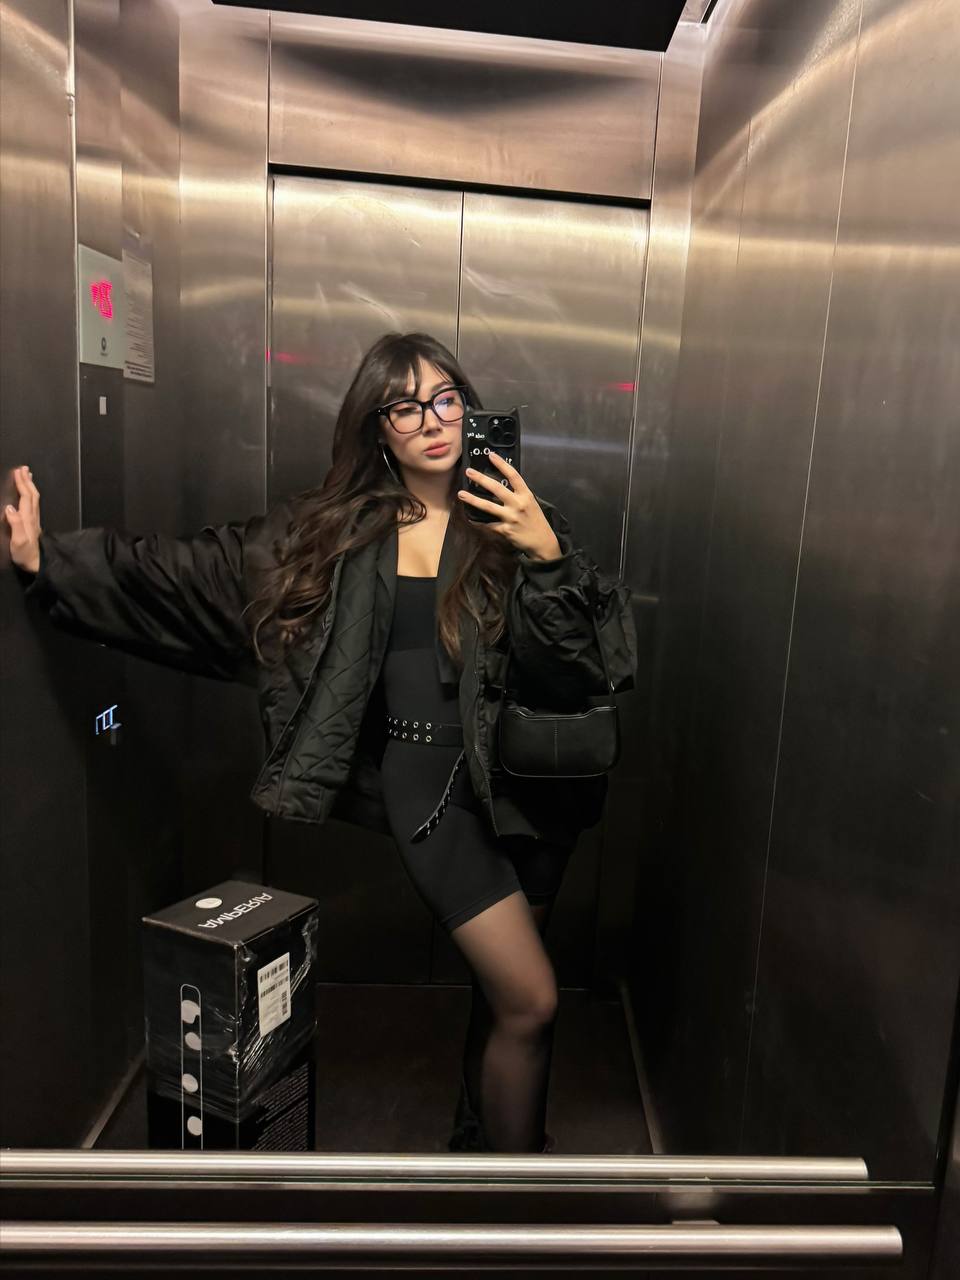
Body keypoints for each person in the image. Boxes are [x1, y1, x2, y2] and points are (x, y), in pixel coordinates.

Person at [5, 331, 638, 1154]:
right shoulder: (335, 534)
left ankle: (481, 1151)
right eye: (404, 407)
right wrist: (51, 562)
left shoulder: (518, 520)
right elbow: (191, 572)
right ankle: (513, 1197)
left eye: (445, 398)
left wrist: (545, 557)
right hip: (433, 793)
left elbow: (579, 668)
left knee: (501, 999)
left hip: (527, 790)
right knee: (533, 999)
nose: (432, 421)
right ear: (378, 428)